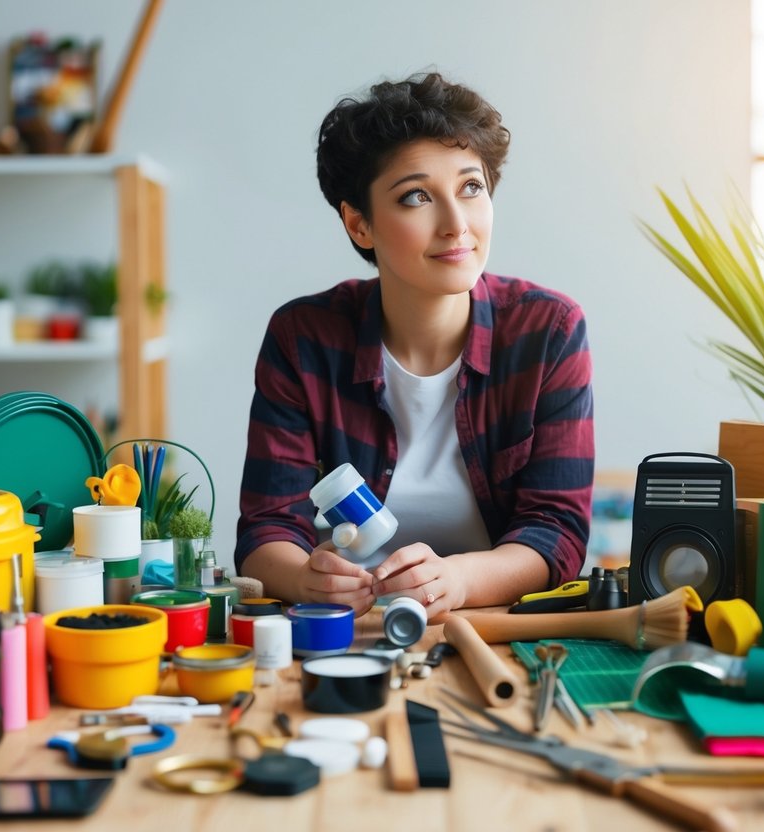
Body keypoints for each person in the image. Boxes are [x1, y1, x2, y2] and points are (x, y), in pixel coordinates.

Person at [236, 71, 594, 619]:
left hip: (488, 626)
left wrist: (458, 579)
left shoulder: (548, 331)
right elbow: (267, 528)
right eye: (416, 196)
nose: (456, 225)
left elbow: (557, 531)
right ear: (359, 224)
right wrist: (308, 579)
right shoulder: (303, 336)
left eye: (471, 188)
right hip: (349, 629)